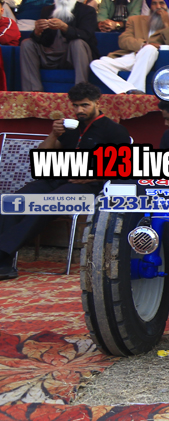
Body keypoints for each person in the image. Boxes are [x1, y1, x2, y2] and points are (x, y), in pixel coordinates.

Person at [0, 82, 131, 279]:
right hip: (56, 179)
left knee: (45, 205)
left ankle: (1, 254)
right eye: (75, 105)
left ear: (97, 103)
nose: (79, 110)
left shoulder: (114, 130)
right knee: (13, 202)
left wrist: (93, 176)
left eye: (84, 105)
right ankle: (4, 262)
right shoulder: (70, 127)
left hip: (90, 186)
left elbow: (125, 168)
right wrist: (53, 134)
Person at [91, 0, 169, 95]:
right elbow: (123, 40)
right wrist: (142, 44)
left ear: (168, 5)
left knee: (150, 49)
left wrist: (167, 24)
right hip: (130, 57)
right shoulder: (135, 20)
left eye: (162, 3)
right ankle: (130, 89)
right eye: (154, 3)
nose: (158, 7)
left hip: (149, 59)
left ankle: (133, 92)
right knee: (96, 64)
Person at [19, 0, 98, 91]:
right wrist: (38, 32)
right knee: (27, 43)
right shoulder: (47, 10)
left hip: (73, 55)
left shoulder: (86, 11)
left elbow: (87, 35)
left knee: (78, 43)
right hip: (50, 55)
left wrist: (64, 27)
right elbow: (44, 41)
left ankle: (80, 91)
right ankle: (33, 92)